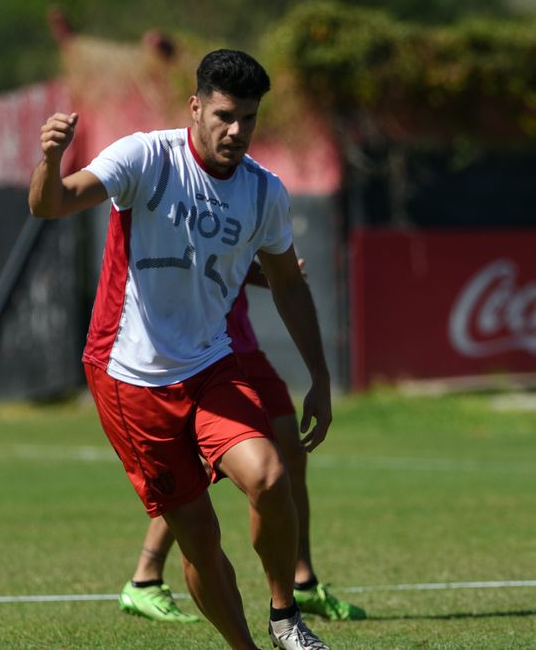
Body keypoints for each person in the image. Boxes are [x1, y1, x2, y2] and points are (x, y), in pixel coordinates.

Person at [29, 48, 333, 650]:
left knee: (271, 478)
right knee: (199, 535)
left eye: (249, 118)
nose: (237, 130)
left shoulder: (264, 191)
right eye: (224, 115)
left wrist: (319, 377)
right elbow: (51, 203)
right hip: (128, 377)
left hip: (209, 363)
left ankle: (283, 616)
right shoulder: (146, 157)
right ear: (194, 107)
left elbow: (288, 286)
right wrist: (49, 157)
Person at [118, 265, 365, 625]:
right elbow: (197, 256)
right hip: (202, 350)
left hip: (242, 347)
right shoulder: (174, 210)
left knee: (291, 452)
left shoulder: (251, 207)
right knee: (209, 462)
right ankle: (145, 576)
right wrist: (264, 271)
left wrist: (267, 272)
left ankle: (303, 580)